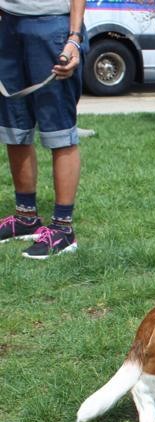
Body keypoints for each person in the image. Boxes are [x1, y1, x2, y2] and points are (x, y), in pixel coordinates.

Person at [0, 0, 87, 259]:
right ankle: (26, 217)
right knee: (14, 127)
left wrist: (74, 38)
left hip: (53, 25)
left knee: (58, 131)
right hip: (9, 24)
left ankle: (63, 229)